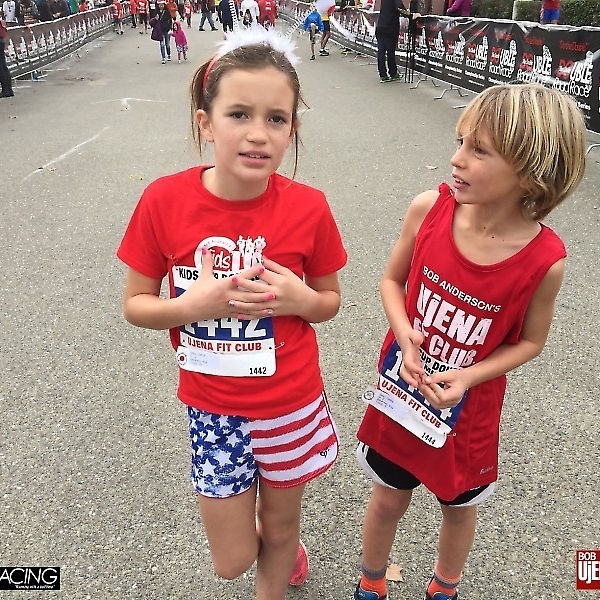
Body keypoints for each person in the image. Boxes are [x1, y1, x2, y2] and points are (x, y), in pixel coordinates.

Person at [117, 27, 347, 600]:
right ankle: (277, 550)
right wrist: (189, 306)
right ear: (206, 122)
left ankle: (283, 553)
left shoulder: (309, 208)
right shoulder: (163, 201)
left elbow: (329, 301)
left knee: (280, 528)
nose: (258, 133)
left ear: (292, 130)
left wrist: (299, 300)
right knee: (232, 559)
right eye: (239, 114)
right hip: (213, 409)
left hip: (289, 402)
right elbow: (136, 305)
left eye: (276, 119)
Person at [353, 82, 586, 600]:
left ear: (531, 171)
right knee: (387, 496)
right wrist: (404, 334)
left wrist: (469, 376)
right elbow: (391, 281)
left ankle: (445, 588)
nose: (456, 159)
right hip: (403, 392)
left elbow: (531, 342)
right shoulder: (429, 209)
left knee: (459, 508)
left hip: (469, 413)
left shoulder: (544, 261)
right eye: (460, 142)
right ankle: (371, 581)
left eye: (478, 150)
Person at [375, 0, 418, 82]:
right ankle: (393, 73)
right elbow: (400, 8)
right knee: (390, 52)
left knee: (381, 52)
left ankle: (383, 75)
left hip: (380, 26)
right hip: (390, 28)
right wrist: (411, 15)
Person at [0, 17, 14, 98]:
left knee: (1, 67)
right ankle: (9, 89)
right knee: (3, 65)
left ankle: (5, 90)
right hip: (1, 40)